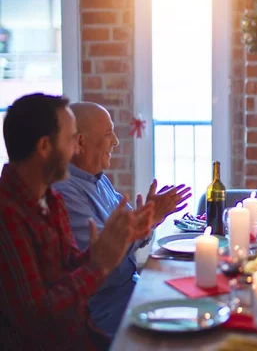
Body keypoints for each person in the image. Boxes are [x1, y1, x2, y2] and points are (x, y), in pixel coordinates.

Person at [0, 93, 155, 350]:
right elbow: (38, 317)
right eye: (71, 139)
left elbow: (70, 268)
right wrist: (100, 264)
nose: (75, 149)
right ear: (44, 147)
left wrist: (107, 248)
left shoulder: (50, 199)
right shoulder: (8, 215)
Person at [53, 102, 191, 339]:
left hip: (132, 287)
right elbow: (104, 264)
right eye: (108, 134)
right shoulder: (64, 192)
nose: (116, 141)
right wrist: (143, 224)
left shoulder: (97, 179)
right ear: (81, 142)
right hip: (106, 310)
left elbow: (132, 232)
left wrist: (148, 220)